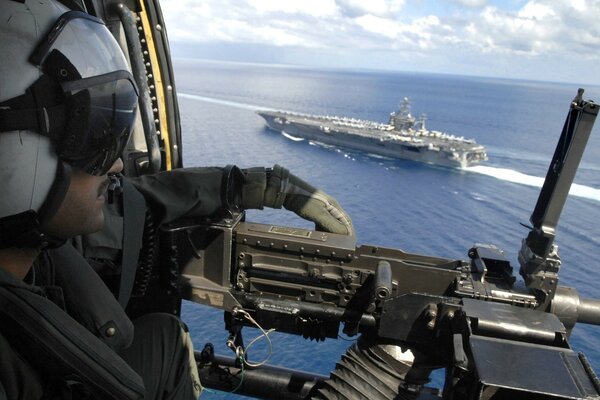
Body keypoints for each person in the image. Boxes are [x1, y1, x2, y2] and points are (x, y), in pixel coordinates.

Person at [0, 0, 353, 399]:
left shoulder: (42, 248)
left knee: (163, 337)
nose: (116, 165)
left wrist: (258, 186)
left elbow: (133, 202)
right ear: (13, 150)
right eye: (93, 139)